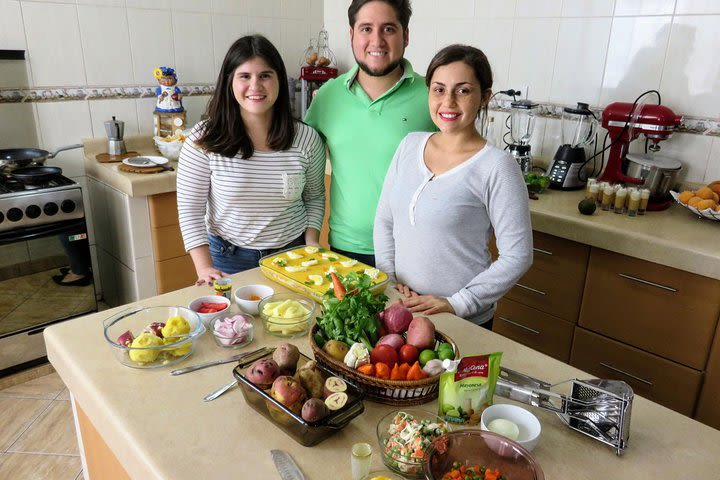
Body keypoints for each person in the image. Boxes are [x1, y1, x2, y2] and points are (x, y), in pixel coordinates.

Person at [373, 44, 533, 329]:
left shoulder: (497, 166)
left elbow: (518, 255)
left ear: (484, 97)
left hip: (460, 321)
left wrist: (457, 303)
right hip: (401, 308)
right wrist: (390, 282)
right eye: (438, 89)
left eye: (463, 90)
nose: (448, 102)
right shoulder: (409, 145)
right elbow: (385, 220)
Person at [177, 35, 326, 285]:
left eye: (265, 75)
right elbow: (190, 211)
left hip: (293, 256)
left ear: (279, 80)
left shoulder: (305, 138)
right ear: (229, 82)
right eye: (244, 76)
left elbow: (314, 197)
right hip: (228, 259)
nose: (255, 86)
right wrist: (204, 268)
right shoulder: (204, 138)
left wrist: (312, 242)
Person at [304, 0, 435, 267]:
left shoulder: (432, 95)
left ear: (405, 36)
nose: (377, 41)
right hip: (345, 249)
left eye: (388, 29)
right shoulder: (329, 95)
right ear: (351, 35)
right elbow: (299, 162)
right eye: (366, 29)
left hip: (412, 250)